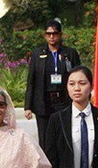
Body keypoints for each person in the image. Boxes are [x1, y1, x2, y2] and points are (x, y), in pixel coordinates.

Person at [24, 19, 81, 147]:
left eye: (55, 33)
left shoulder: (70, 53)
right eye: (48, 34)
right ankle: (47, 166)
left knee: (63, 137)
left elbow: (79, 76)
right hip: (44, 102)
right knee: (45, 139)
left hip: (63, 101)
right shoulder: (37, 53)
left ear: (60, 35)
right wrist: (28, 106)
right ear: (45, 35)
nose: (51, 37)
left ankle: (63, 165)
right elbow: (31, 81)